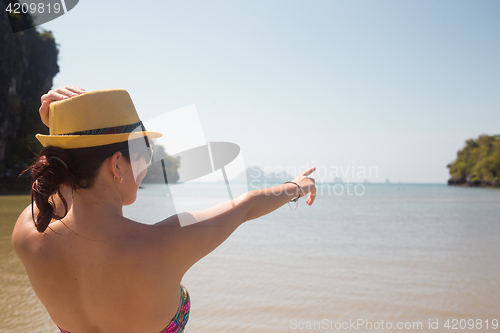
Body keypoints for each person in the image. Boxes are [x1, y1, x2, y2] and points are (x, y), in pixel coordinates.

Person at [12, 86, 317, 333]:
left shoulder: (27, 233)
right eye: (146, 152)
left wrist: (66, 131)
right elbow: (246, 205)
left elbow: (56, 187)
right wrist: (298, 185)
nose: (148, 163)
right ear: (117, 164)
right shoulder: (166, 243)